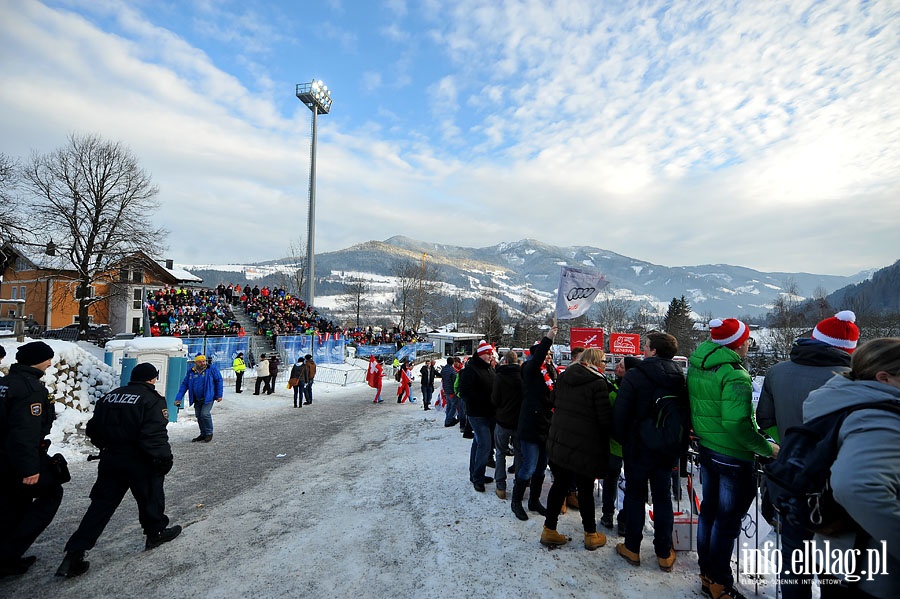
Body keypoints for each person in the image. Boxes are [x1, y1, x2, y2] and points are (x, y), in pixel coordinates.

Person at [755, 310, 858, 599]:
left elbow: (765, 421)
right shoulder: (853, 381)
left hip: (790, 482)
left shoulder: (777, 371)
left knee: (794, 566)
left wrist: (786, 449)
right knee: (834, 572)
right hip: (834, 490)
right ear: (850, 349)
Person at [55, 363, 182, 578]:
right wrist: (163, 457)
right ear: (152, 379)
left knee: (100, 506)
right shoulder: (152, 400)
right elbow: (153, 433)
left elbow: (93, 428)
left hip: (111, 459)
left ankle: (74, 554)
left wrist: (106, 446)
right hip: (140, 461)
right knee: (151, 498)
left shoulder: (111, 396)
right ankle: (155, 533)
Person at [802, 337, 900, 599]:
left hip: (838, 552)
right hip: (871, 570)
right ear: (885, 377)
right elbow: (856, 486)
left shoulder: (841, 399)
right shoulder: (879, 416)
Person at [688, 319, 779, 599]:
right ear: (739, 343)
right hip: (733, 456)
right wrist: (766, 448)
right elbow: (737, 424)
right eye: (748, 341)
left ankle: (706, 573)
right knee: (726, 522)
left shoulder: (699, 363)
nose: (749, 346)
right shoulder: (735, 375)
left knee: (709, 513)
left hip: (707, 448)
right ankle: (719, 582)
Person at [613, 332, 686, 572]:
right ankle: (664, 553)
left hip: (638, 447)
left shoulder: (635, 376)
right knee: (663, 497)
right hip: (666, 447)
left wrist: (624, 440)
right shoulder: (680, 378)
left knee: (635, 496)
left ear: (654, 351)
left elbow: (621, 414)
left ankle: (632, 548)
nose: (643, 350)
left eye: (645, 346)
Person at [0, 341, 62, 578]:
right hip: (16, 460)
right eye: (48, 359)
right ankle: (8, 555)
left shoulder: (4, 383)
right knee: (51, 494)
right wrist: (29, 468)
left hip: (4, 457)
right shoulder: (31, 389)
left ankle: (7, 555)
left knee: (9, 506)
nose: (50, 363)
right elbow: (24, 432)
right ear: (38, 360)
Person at [540, 347, 612, 550]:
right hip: (584, 445)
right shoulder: (598, 383)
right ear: (597, 363)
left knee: (559, 485)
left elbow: (553, 400)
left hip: (559, 440)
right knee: (585, 489)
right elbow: (605, 420)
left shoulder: (565, 376)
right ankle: (590, 533)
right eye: (605, 361)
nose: (607, 365)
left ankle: (549, 529)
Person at [511, 322, 558, 521]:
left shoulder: (551, 372)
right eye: (545, 354)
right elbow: (537, 357)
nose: (547, 357)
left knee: (540, 469)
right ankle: (516, 501)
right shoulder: (529, 370)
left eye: (549, 354)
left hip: (546, 427)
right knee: (529, 467)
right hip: (531, 426)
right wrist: (549, 337)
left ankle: (534, 501)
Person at [601, 356, 640, 535]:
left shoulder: (615, 393)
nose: (617, 366)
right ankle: (619, 517)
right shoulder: (641, 391)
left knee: (613, 480)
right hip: (631, 445)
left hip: (618, 444)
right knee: (626, 483)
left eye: (622, 366)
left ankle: (611, 514)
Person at [457, 340, 497, 493]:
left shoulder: (489, 369)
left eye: (490, 354)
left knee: (478, 444)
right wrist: (485, 399)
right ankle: (478, 478)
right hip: (477, 414)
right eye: (488, 353)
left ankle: (474, 474)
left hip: (490, 413)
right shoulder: (470, 370)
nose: (490, 356)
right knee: (485, 445)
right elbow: (465, 393)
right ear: (481, 354)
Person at [491, 350, 523, 501]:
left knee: (500, 453)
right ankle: (519, 484)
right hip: (519, 421)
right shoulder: (523, 375)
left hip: (503, 420)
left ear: (506, 361)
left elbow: (495, 399)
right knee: (519, 453)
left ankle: (501, 486)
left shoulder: (500, 376)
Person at [175, 355, 224, 443]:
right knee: (199, 416)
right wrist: (178, 398)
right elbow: (184, 385)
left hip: (208, 397)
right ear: (196, 362)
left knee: (205, 414)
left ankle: (209, 433)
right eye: (200, 362)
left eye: (204, 361)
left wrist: (219, 395)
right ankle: (203, 433)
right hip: (197, 398)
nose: (203, 363)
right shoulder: (191, 372)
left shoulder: (212, 369)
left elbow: (219, 381)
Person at [441, 357, 460, 427]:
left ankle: (449, 418)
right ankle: (448, 420)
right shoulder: (452, 370)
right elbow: (454, 381)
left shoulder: (444, 369)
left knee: (449, 406)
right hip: (451, 390)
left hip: (446, 389)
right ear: (452, 362)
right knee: (453, 406)